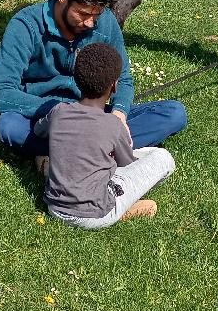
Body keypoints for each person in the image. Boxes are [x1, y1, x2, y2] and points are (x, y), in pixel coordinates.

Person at [0, 0, 187, 160]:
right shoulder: (25, 25)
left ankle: (65, 151)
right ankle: (101, 149)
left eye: (96, 15)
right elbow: (0, 93)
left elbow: (124, 78)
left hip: (92, 113)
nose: (90, 23)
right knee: (9, 127)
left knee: (173, 114)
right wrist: (60, 111)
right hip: (42, 114)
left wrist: (119, 114)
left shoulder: (106, 21)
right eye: (83, 14)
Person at [37, 43, 175, 228]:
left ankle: (48, 169)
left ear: (76, 80)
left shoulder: (59, 112)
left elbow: (39, 130)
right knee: (162, 156)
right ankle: (124, 209)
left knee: (147, 152)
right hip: (96, 214)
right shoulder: (114, 125)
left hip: (54, 207)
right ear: (115, 86)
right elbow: (127, 164)